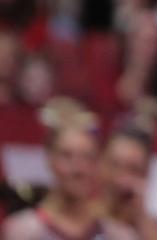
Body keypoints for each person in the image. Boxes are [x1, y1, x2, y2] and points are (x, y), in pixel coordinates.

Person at [1, 102, 136, 240]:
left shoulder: (118, 234)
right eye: (67, 156)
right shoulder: (23, 231)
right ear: (50, 159)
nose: (78, 168)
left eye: (87, 157)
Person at [99, 125, 157, 240]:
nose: (122, 179)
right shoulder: (84, 221)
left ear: (147, 174)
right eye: (114, 165)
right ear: (100, 165)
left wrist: (141, 218)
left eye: (134, 170)